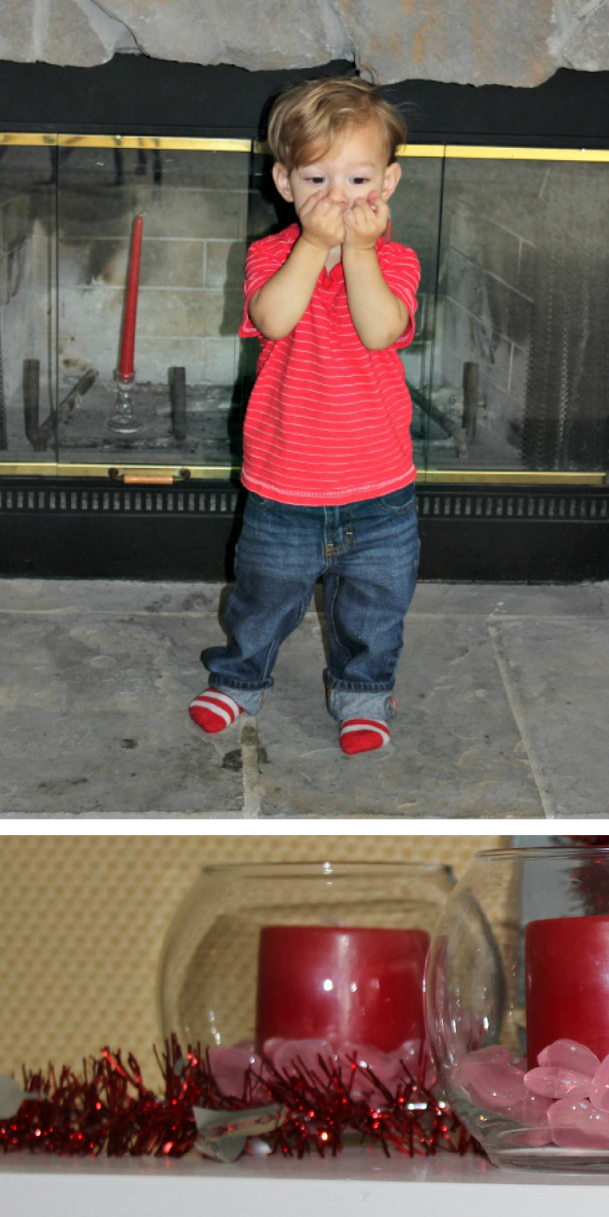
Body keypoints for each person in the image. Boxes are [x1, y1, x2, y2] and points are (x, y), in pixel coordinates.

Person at [192, 75, 421, 756]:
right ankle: (239, 678)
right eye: (317, 179)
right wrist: (314, 247)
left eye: (358, 179)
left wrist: (358, 251)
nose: (337, 197)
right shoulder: (270, 257)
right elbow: (273, 317)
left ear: (388, 182)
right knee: (262, 598)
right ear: (285, 183)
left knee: (374, 608)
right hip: (284, 485)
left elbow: (380, 329)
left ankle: (364, 693)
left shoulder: (396, 261)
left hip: (379, 491)